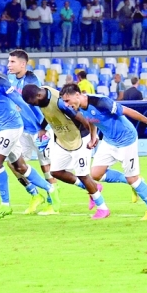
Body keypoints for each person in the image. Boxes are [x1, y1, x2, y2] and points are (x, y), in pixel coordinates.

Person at [0, 54, 53, 219]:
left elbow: (26, 102)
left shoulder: (26, 81)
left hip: (23, 127)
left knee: (44, 166)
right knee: (18, 166)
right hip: (7, 129)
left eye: (12, 61)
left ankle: (12, 204)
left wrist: (41, 126)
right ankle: (39, 193)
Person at [62, 84, 147, 221]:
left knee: (132, 178)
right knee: (96, 174)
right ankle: (133, 182)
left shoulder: (101, 102)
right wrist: (93, 137)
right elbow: (91, 120)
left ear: (77, 95)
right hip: (109, 141)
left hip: (126, 139)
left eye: (67, 101)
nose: (66, 105)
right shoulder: (80, 107)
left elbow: (126, 110)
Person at [22, 84, 109, 219]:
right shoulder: (42, 96)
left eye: (33, 102)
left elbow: (82, 118)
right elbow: (49, 113)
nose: (33, 105)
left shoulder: (61, 102)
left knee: (83, 175)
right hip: (62, 139)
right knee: (56, 172)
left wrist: (93, 137)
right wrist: (42, 128)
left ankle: (102, 208)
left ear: (38, 96)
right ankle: (92, 187)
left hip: (80, 138)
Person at [6, 50, 57, 214]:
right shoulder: (11, 79)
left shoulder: (32, 80)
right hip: (22, 129)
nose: (9, 65)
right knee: (13, 163)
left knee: (47, 168)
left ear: (23, 64)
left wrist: (43, 127)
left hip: (39, 129)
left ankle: (53, 202)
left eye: (12, 62)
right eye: (9, 61)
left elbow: (44, 104)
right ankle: (35, 195)